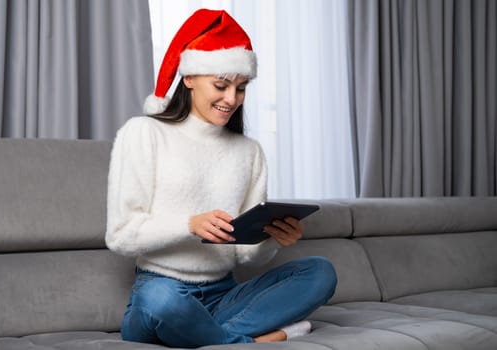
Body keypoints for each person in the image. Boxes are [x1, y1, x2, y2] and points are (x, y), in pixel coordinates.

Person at [106, 8, 337, 348]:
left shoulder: (250, 152)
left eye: (241, 88)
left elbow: (245, 256)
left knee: (320, 273)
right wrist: (189, 224)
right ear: (189, 78)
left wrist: (271, 238)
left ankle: (206, 335)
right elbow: (120, 236)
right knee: (162, 302)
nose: (232, 99)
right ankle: (254, 341)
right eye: (221, 85)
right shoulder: (143, 133)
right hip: (160, 289)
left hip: (224, 294)